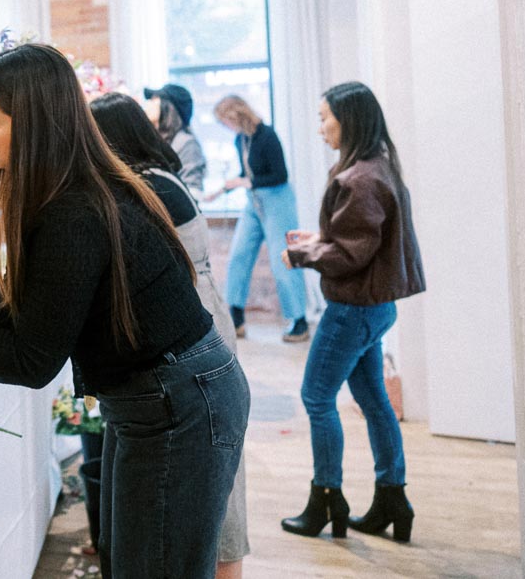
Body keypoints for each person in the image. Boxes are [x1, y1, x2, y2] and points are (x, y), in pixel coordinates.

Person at [0, 44, 249, 577]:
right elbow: (21, 297)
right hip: (151, 397)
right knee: (132, 560)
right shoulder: (64, 193)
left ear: (36, 126)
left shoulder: (76, 211)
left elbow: (33, 358)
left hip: (179, 400)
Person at [90, 93, 249, 578]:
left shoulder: (144, 187)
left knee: (213, 492)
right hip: (204, 316)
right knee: (219, 484)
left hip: (191, 329)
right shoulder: (160, 176)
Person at [280, 82, 425, 542]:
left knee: (316, 398)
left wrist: (302, 255)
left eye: (326, 117)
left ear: (350, 120)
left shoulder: (358, 178)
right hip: (375, 307)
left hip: (352, 310)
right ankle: (391, 496)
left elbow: (350, 254)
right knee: (375, 402)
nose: (321, 127)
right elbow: (358, 241)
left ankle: (326, 499)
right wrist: (316, 240)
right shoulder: (377, 168)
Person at [211, 95, 308, 342]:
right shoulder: (241, 140)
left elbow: (279, 175)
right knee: (239, 255)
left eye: (225, 121)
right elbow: (247, 173)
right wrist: (228, 186)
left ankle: (298, 320)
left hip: (278, 200)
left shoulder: (267, 136)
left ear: (236, 115)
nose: (225, 127)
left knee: (283, 259)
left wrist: (247, 181)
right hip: (254, 202)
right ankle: (236, 316)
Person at [144, 83, 207, 194]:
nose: (148, 103)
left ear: (169, 106)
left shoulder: (187, 144)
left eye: (154, 99)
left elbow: (193, 191)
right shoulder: (156, 140)